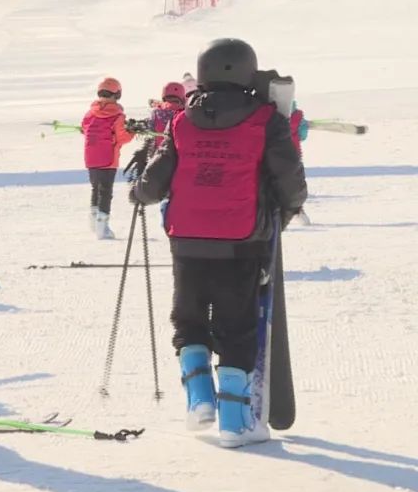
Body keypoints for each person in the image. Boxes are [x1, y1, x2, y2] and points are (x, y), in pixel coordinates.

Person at [131, 38, 307, 448]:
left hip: (186, 239)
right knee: (237, 326)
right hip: (241, 239)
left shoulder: (181, 122)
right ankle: (234, 421)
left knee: (188, 317)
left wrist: (140, 194)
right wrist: (291, 207)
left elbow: (156, 179)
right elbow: (288, 176)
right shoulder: (266, 119)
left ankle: (198, 401)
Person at [82, 77, 133, 239]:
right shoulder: (117, 116)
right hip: (108, 160)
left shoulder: (90, 113)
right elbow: (122, 137)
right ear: (117, 95)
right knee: (106, 191)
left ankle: (93, 219)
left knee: (95, 188)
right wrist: (133, 131)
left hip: (91, 158)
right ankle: (102, 227)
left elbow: (84, 127)